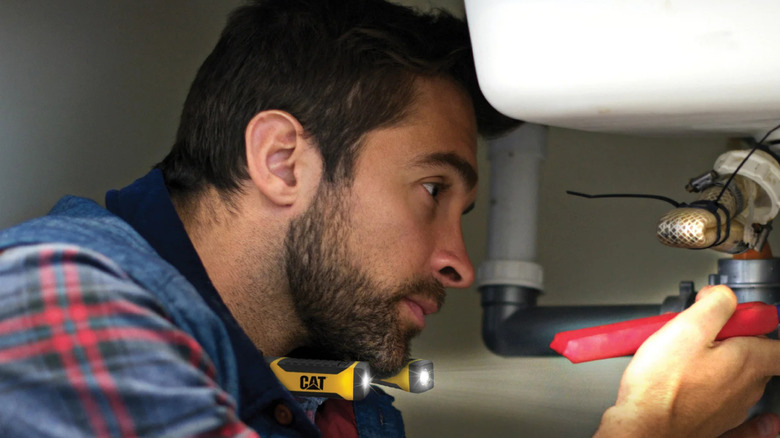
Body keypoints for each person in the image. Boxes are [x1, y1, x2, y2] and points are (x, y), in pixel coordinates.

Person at [0, 0, 779, 437]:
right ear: (282, 161)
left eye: (464, 210)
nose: (460, 264)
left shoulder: (347, 407)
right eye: (433, 190)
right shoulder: (57, 293)